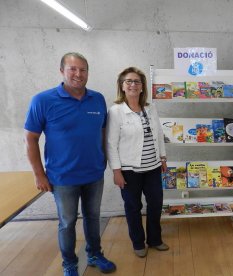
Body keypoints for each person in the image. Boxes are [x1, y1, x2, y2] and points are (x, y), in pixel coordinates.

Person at [24, 52, 116, 276]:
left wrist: (104, 159)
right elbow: (30, 139)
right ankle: (69, 264)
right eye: (72, 69)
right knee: (67, 222)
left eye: (83, 69)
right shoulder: (42, 100)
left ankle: (94, 253)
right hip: (62, 177)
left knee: (93, 217)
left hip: (94, 174)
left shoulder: (98, 99)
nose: (78, 74)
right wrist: (39, 174)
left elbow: (103, 131)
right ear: (62, 71)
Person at [106, 67, 169, 258]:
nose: (133, 85)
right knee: (133, 207)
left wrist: (163, 158)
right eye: (129, 81)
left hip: (153, 167)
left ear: (142, 87)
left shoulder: (150, 108)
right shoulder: (116, 111)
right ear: (122, 86)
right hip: (129, 170)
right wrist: (116, 171)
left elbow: (158, 134)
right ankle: (138, 242)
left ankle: (155, 240)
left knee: (156, 204)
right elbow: (111, 143)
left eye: (137, 82)